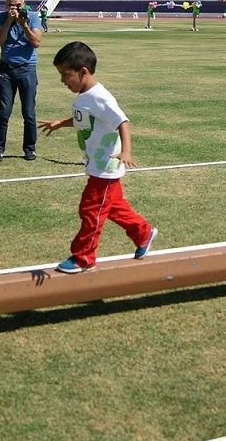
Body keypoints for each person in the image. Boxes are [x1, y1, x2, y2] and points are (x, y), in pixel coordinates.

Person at [38, 41, 157, 273]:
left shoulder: (100, 97)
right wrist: (61, 123)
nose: (63, 80)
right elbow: (86, 119)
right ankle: (143, 232)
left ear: (83, 72)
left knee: (90, 209)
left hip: (106, 166)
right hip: (96, 164)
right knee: (113, 207)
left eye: (65, 75)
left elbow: (122, 121)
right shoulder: (84, 95)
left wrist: (126, 152)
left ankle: (84, 257)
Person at [0, 0, 43, 162]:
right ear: (6, 5)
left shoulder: (33, 16)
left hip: (27, 68)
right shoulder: (1, 17)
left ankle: (30, 148)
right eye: (11, 5)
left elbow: (36, 42)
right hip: (6, 69)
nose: (14, 8)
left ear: (24, 3)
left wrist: (23, 24)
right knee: (4, 111)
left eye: (18, 5)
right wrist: (9, 20)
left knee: (28, 112)